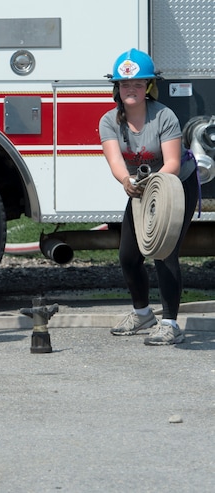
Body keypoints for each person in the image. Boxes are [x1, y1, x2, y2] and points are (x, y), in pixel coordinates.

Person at [98, 48, 198, 346]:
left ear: (148, 87)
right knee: (129, 255)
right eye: (125, 84)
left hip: (175, 186)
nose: (131, 89)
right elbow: (116, 162)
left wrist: (148, 185)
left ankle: (170, 324)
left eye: (138, 84)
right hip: (141, 187)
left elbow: (172, 165)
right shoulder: (108, 121)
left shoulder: (164, 116)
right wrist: (127, 182)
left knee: (164, 251)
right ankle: (143, 314)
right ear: (117, 87)